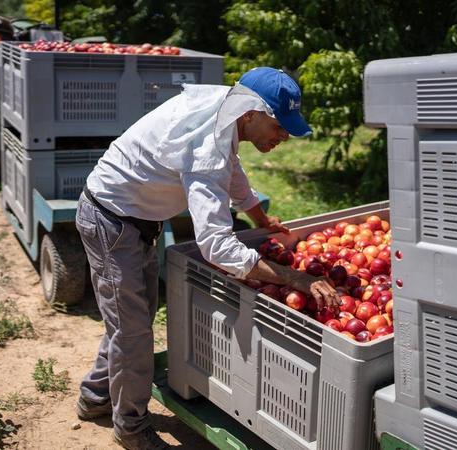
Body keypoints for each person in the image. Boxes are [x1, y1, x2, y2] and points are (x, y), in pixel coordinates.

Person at [74, 67, 341, 450]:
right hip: (112, 222)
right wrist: (293, 278)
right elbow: (215, 246)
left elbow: (232, 169)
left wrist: (260, 217)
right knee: (132, 331)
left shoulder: (224, 112)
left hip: (131, 221)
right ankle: (130, 427)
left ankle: (95, 397)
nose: (283, 136)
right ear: (251, 113)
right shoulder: (207, 147)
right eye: (279, 126)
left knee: (132, 320)